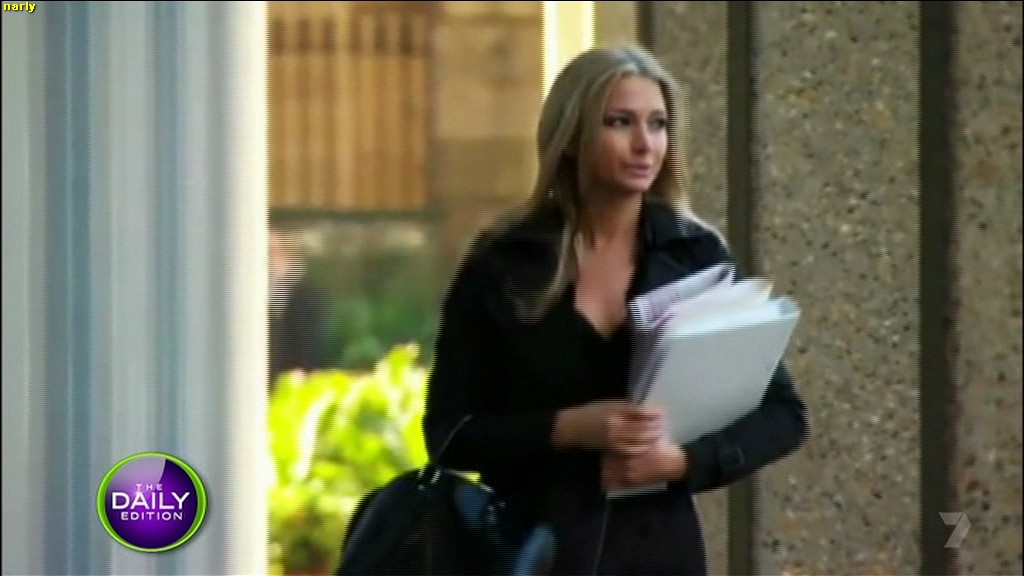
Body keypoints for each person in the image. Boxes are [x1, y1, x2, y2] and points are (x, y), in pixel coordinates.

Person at [422, 44, 808, 574]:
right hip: (531, 554)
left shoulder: (693, 256)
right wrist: (568, 428)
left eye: (658, 124)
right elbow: (448, 435)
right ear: (571, 137)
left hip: (660, 554)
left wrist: (682, 462)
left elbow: (784, 416)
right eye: (619, 122)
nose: (644, 144)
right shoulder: (505, 262)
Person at [269, 225, 329, 392]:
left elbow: (311, 337)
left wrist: (304, 371)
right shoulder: (272, 289)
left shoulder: (307, 293)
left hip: (295, 378)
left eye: (273, 253)